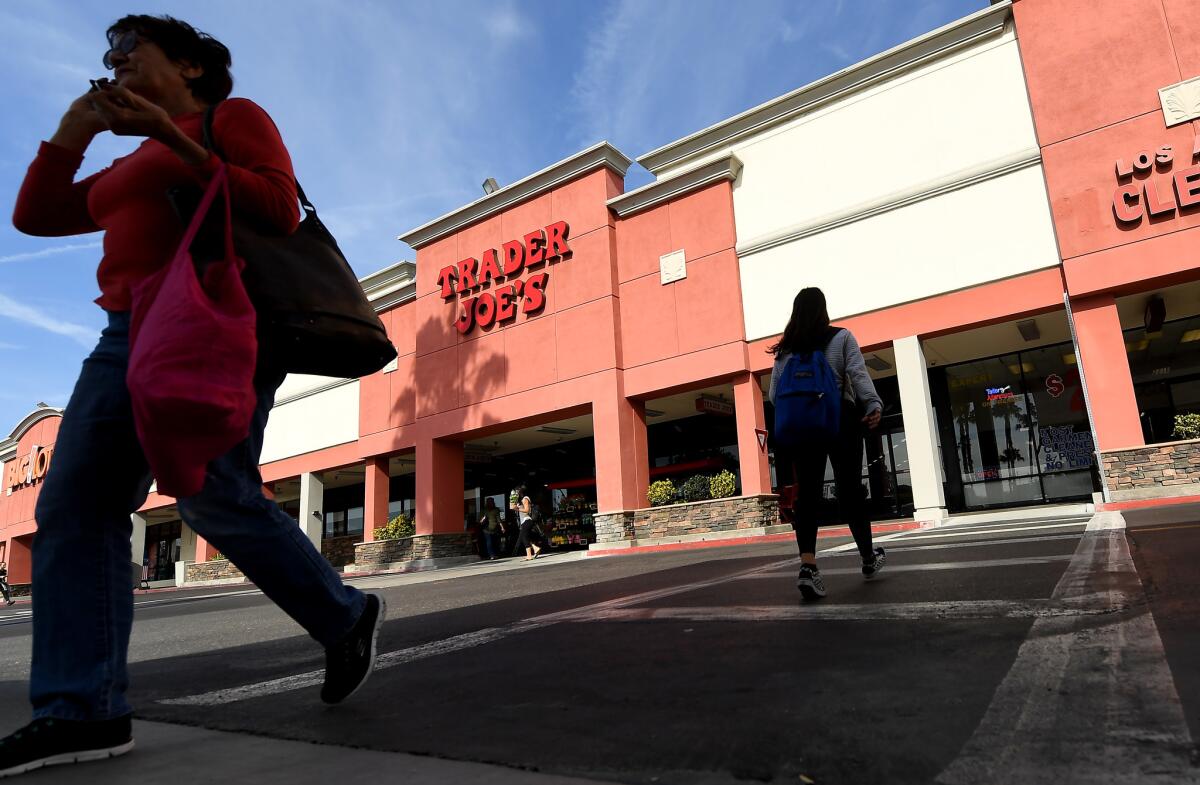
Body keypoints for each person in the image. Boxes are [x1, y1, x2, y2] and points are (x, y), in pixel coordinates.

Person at [2, 16, 385, 778]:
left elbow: (276, 208)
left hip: (218, 311)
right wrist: (73, 131)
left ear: (189, 65)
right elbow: (35, 216)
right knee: (74, 506)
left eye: (126, 51)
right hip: (126, 333)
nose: (110, 64)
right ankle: (82, 710)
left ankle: (345, 613)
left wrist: (178, 141)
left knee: (213, 495)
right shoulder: (132, 157)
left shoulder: (228, 119)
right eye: (105, 55)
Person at [768, 287, 886, 600]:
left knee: (807, 493)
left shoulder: (786, 349)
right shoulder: (841, 337)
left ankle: (808, 566)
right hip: (841, 419)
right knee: (850, 489)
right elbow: (857, 374)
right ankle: (867, 558)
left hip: (803, 425)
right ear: (823, 309)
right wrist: (872, 404)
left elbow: (773, 394)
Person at [512, 486, 542, 561]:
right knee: (525, 537)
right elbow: (512, 506)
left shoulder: (525, 498)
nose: (515, 493)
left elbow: (527, 510)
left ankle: (529, 555)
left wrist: (518, 509)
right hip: (524, 521)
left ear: (520, 492)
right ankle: (536, 548)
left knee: (524, 537)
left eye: (516, 492)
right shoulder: (520, 500)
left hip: (527, 520)